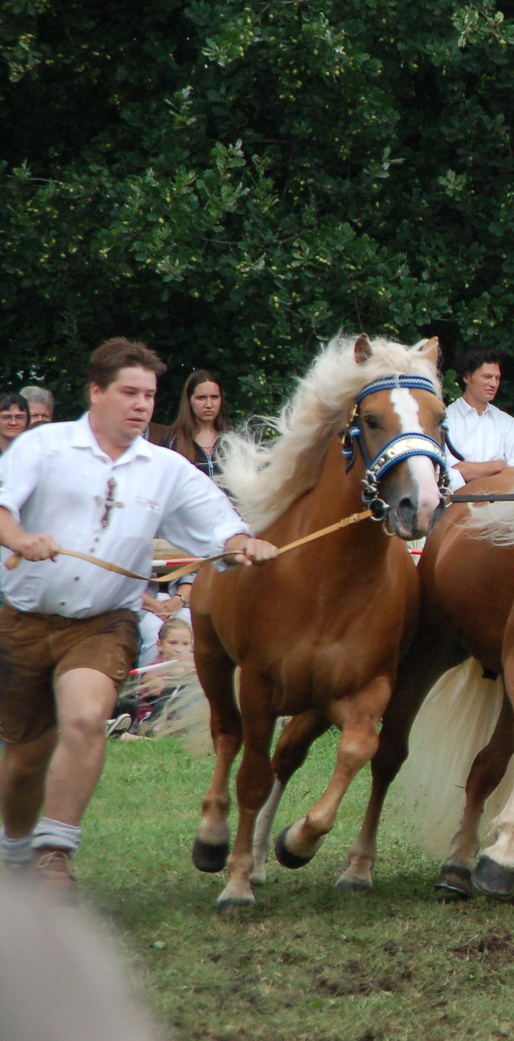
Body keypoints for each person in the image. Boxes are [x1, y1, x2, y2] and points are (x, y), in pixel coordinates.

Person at [0, 338, 277, 901]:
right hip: (23, 617)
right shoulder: (44, 447)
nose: (141, 405)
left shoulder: (167, 469)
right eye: (129, 392)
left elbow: (220, 527)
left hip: (104, 622)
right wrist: (21, 539)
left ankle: (54, 853)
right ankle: (12, 853)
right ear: (95, 391)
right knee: (26, 756)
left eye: (149, 395)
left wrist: (247, 544)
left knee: (84, 717)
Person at [444, 348, 514, 489]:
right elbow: (450, 472)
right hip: (455, 506)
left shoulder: (507, 423)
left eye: (497, 378)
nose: (494, 384)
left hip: (500, 505)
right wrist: (499, 465)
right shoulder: (445, 420)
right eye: (487, 377)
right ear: (467, 377)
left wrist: (474, 472)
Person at [162, 370, 231, 479]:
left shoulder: (231, 441)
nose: (209, 404)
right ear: (189, 400)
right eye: (201, 398)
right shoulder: (173, 441)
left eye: (214, 397)